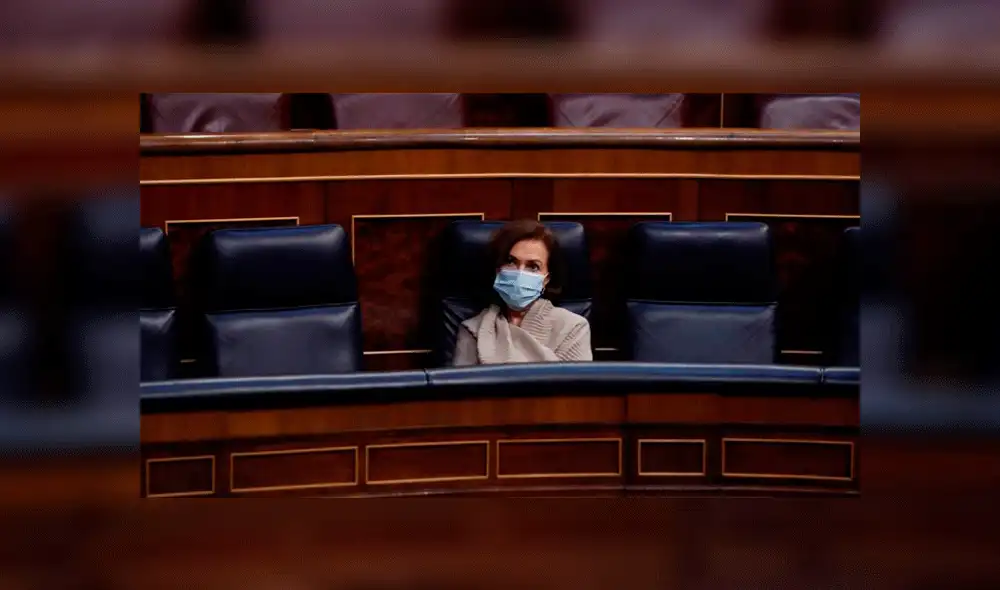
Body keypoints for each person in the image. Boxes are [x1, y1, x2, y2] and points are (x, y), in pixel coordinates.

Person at [453, 220, 593, 365]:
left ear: (546, 279)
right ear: (497, 269)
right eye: (511, 262)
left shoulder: (573, 327)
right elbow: (462, 386)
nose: (520, 273)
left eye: (533, 267)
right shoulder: (473, 330)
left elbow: (575, 385)